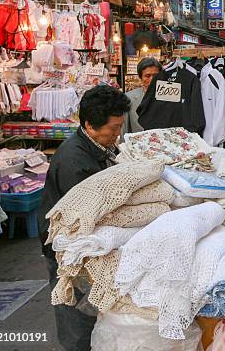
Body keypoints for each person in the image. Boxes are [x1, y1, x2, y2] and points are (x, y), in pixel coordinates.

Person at [37, 85, 131, 350]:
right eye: (113, 128)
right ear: (90, 125)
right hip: (66, 249)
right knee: (76, 316)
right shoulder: (75, 161)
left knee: (89, 312)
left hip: (79, 245)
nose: (118, 134)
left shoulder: (95, 147)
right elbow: (87, 216)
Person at [123, 57, 162, 135]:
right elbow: (124, 130)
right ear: (140, 77)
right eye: (147, 76)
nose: (152, 79)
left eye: (155, 75)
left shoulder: (168, 98)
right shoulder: (129, 98)